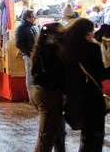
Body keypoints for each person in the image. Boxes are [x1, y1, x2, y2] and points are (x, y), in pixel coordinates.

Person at [61, 18, 110, 151]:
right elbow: (100, 74)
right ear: (86, 33)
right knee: (95, 133)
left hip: (75, 96)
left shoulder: (65, 48)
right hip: (92, 95)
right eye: (92, 31)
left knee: (86, 133)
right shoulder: (92, 48)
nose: (93, 34)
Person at [30, 23, 66, 152]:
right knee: (46, 139)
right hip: (48, 93)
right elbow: (59, 75)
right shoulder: (52, 51)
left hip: (39, 91)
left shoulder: (41, 48)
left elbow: (33, 72)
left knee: (57, 134)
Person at [15, 9, 39, 99]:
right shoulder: (21, 28)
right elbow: (18, 43)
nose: (34, 18)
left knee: (36, 74)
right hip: (29, 55)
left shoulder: (34, 26)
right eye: (32, 16)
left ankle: (36, 96)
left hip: (36, 54)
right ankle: (31, 97)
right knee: (30, 75)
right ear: (27, 17)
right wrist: (28, 53)